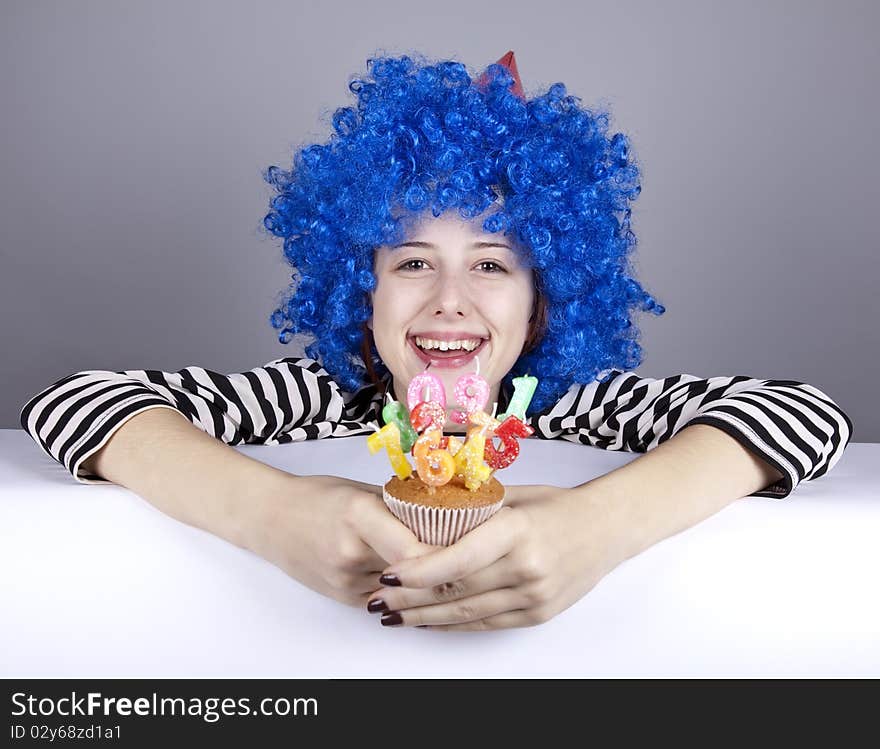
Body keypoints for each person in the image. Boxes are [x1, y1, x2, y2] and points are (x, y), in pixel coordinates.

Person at [19, 52, 852, 631]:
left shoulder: (579, 406)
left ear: (540, 304)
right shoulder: (325, 396)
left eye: (492, 264)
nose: (449, 300)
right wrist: (276, 512)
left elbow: (803, 414)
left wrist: (595, 530)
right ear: (363, 288)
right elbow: (75, 402)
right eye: (413, 260)